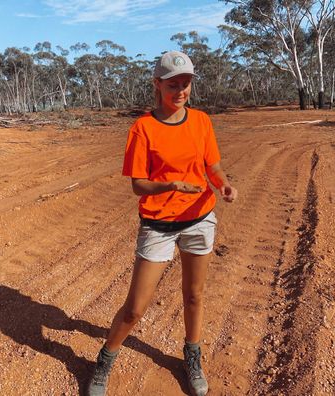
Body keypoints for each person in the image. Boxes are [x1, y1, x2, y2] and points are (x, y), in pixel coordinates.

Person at [87, 50, 238, 396]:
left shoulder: (201, 121)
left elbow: (213, 167)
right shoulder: (143, 129)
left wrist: (223, 184)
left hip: (200, 218)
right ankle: (104, 361)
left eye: (186, 84)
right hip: (159, 223)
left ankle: (192, 355)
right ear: (157, 84)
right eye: (173, 85)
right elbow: (138, 185)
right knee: (135, 309)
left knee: (194, 296)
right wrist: (170, 185)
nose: (181, 91)